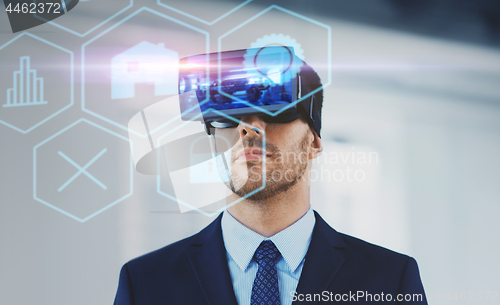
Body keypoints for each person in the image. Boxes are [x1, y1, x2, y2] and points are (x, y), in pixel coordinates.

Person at [114, 61, 427, 305]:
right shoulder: (145, 283)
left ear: (314, 142)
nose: (249, 127)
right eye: (228, 113)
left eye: (275, 108)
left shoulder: (390, 280)